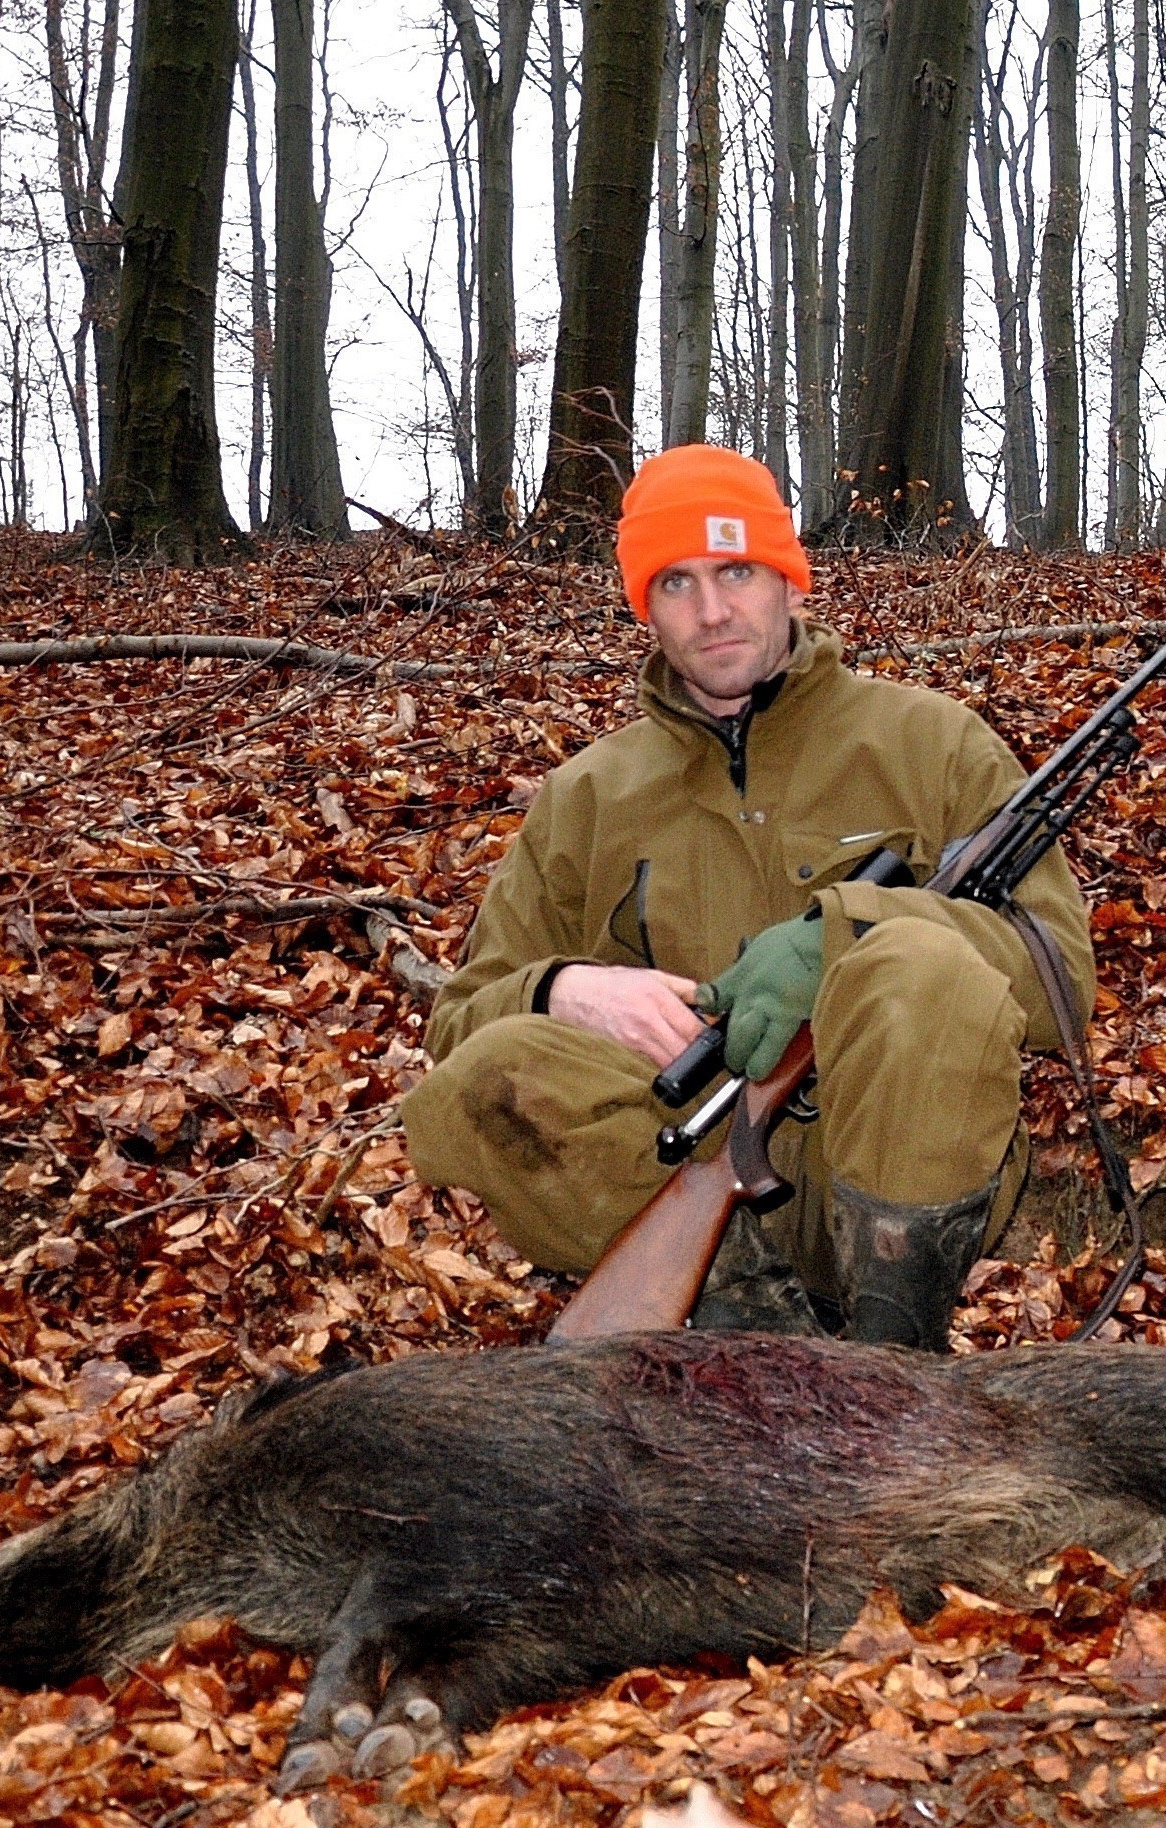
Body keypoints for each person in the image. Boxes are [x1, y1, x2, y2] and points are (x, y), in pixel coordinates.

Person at [402, 445, 1092, 1348]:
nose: (714, 610)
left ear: (792, 584)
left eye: (737, 571)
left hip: (890, 1153)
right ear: (645, 608)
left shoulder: (932, 744)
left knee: (920, 963)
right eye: (677, 582)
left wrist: (848, 934)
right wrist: (563, 989)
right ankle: (755, 1339)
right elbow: (457, 1029)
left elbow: (1062, 984)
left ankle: (893, 1359)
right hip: (679, 1162)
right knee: (500, 1070)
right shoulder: (588, 796)